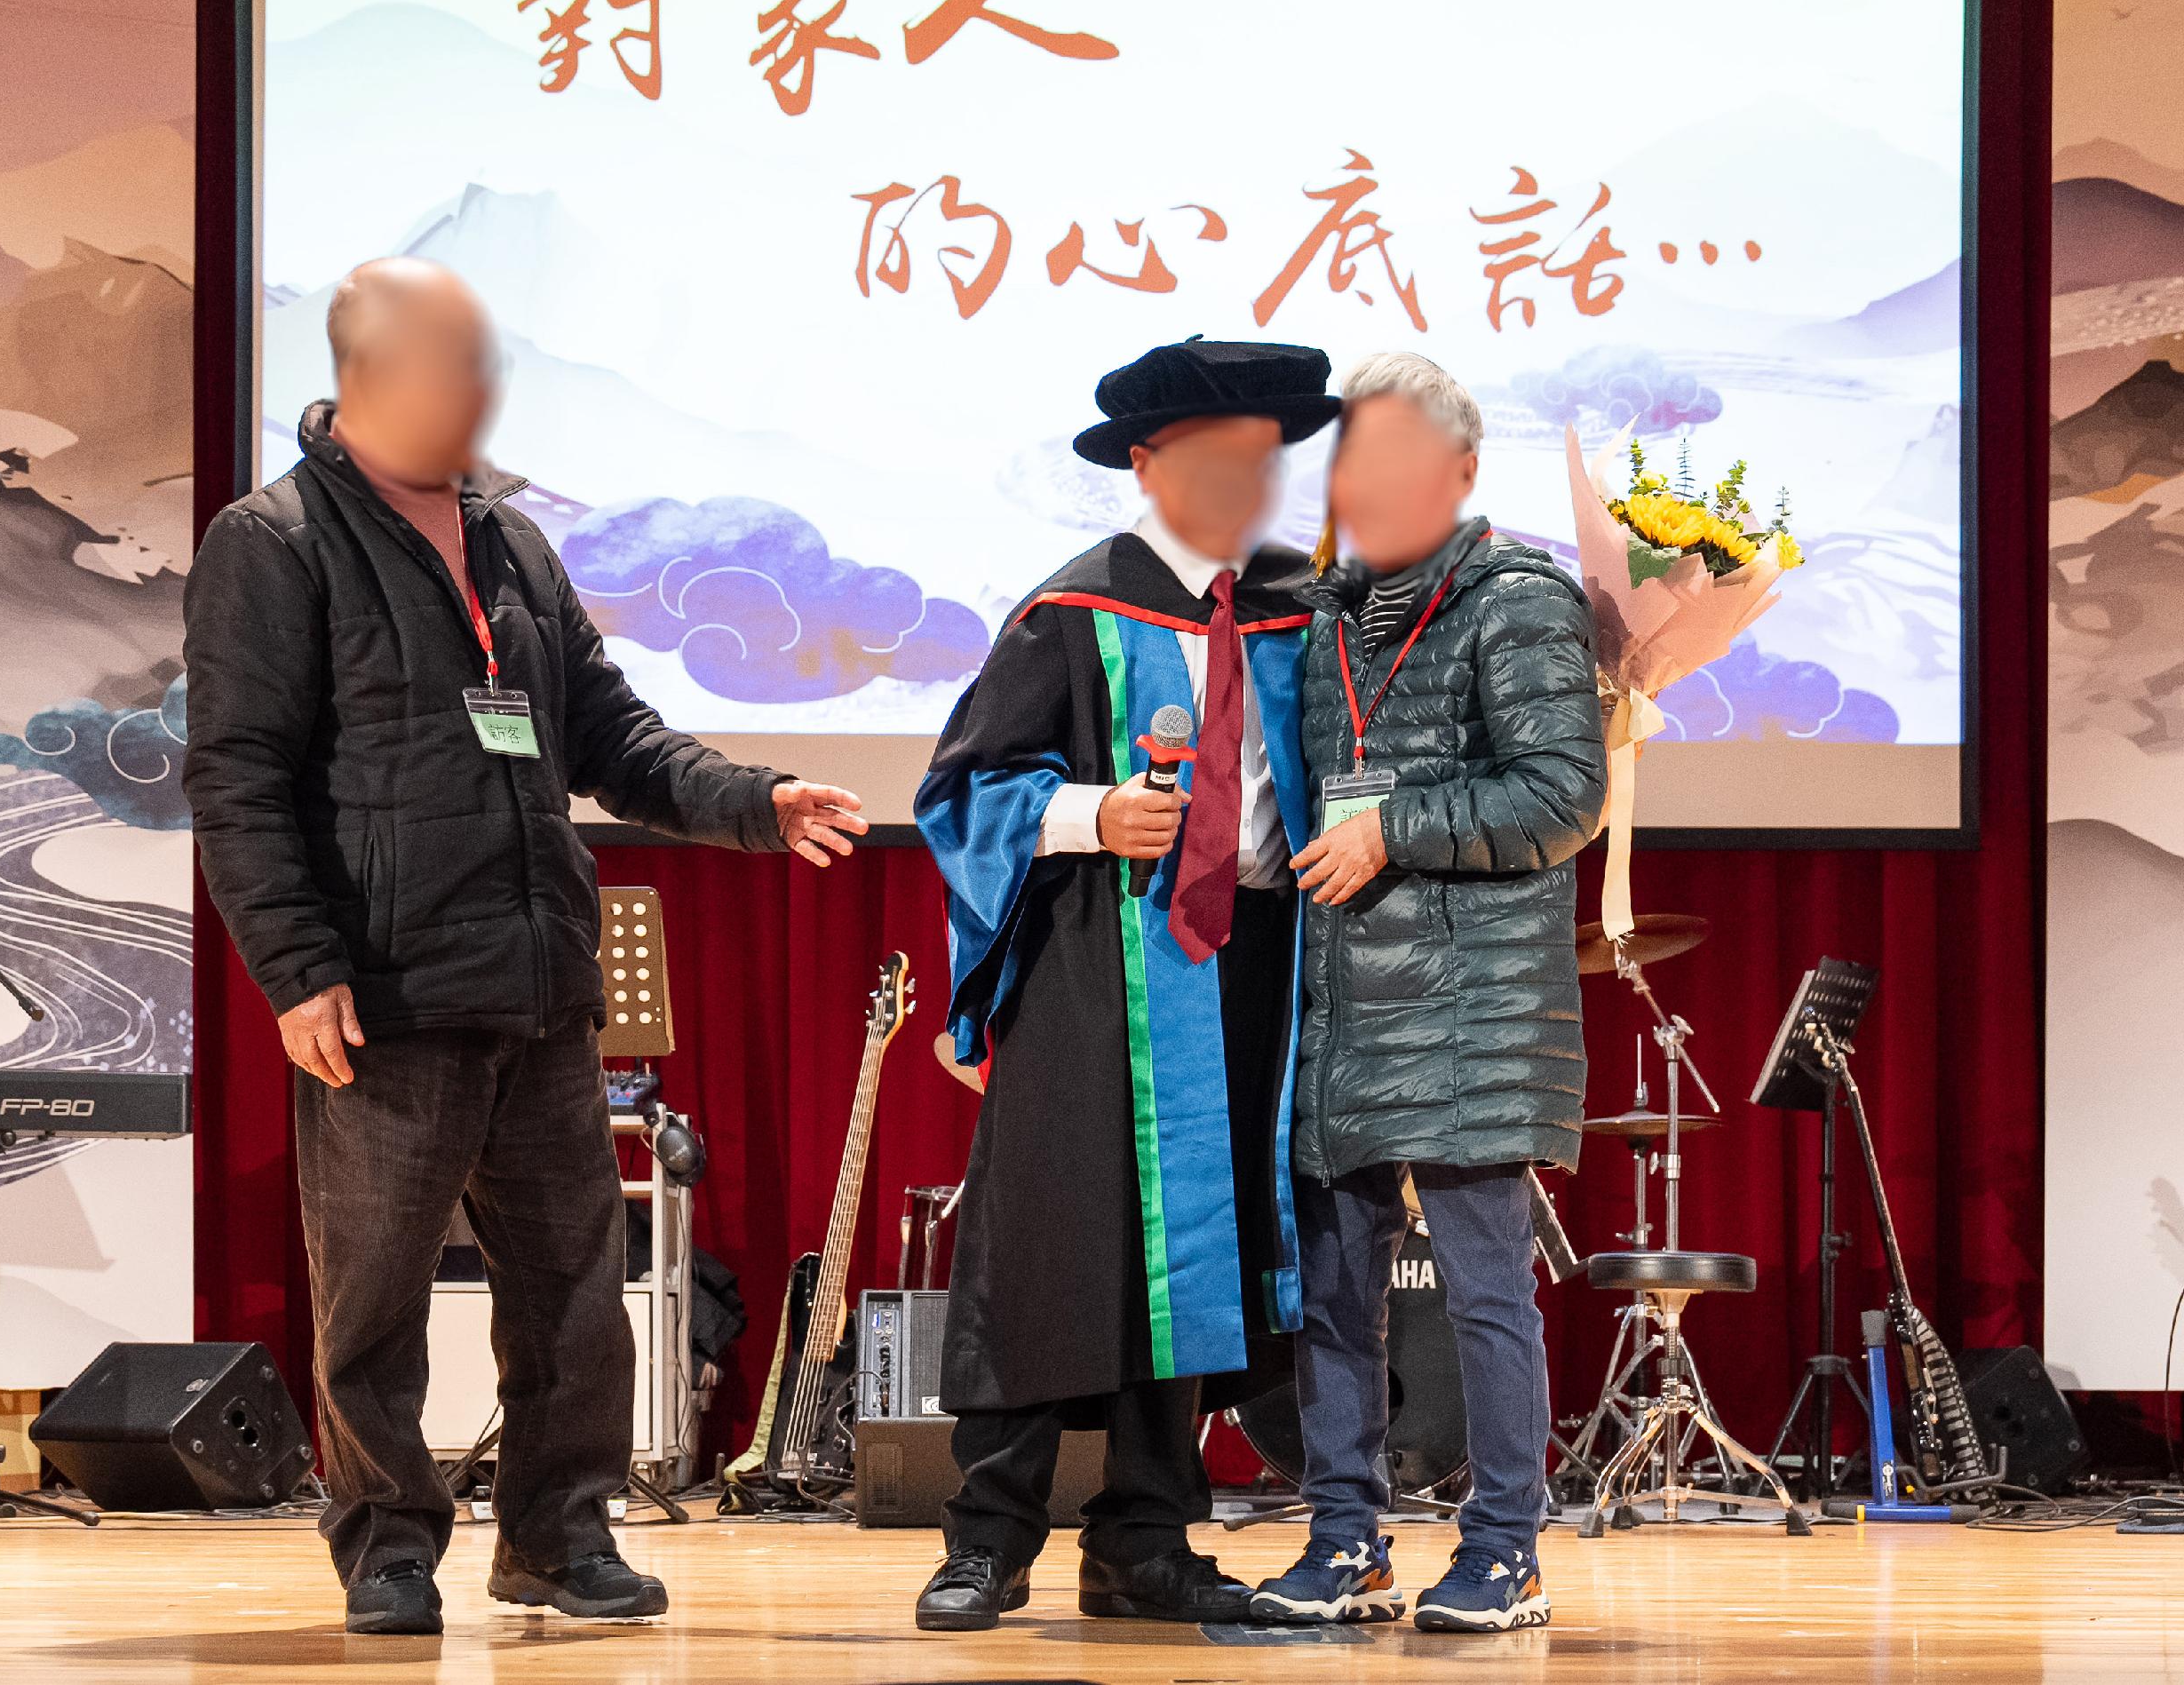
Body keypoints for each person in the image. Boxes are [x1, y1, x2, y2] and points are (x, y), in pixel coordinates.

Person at [183, 258, 869, 1638]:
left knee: (572, 1289)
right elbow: (237, 777)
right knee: (371, 1296)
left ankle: (560, 1539)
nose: (487, 394)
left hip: (542, 987)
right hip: (384, 988)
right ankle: (388, 1544)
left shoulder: (511, 545)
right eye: (460, 365)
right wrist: (295, 964)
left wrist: (753, 802)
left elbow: (610, 739)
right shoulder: (276, 543)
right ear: (373, 376)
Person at [907, 337, 1339, 1634]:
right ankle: (987, 1541)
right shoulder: (1074, 609)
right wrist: (1095, 814)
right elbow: (962, 793)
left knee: (1202, 1259)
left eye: (1265, 458)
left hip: (1255, 960)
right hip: (1105, 960)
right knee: (1054, 1241)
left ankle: (1146, 1540)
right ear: (1147, 466)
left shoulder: (1300, 608)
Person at [1248, 350, 1608, 1635]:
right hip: (1343, 1001)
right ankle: (1344, 1540)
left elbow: (1565, 794)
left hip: (1472, 1008)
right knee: (1334, 1300)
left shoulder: (1519, 600)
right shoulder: (1323, 611)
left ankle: (1505, 1548)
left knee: (1482, 1295)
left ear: (1459, 473)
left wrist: (1392, 824)